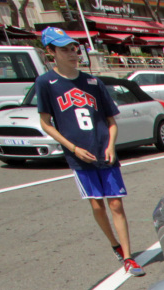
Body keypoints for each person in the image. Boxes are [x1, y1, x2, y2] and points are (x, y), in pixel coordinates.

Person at [34, 27, 145, 277]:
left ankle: (129, 257)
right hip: (79, 156)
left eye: (74, 48)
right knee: (97, 206)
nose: (73, 53)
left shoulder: (93, 82)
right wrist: (72, 148)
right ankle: (114, 244)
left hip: (104, 152)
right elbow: (45, 123)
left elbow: (111, 120)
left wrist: (110, 145)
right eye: (65, 49)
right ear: (50, 52)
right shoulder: (46, 83)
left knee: (116, 203)